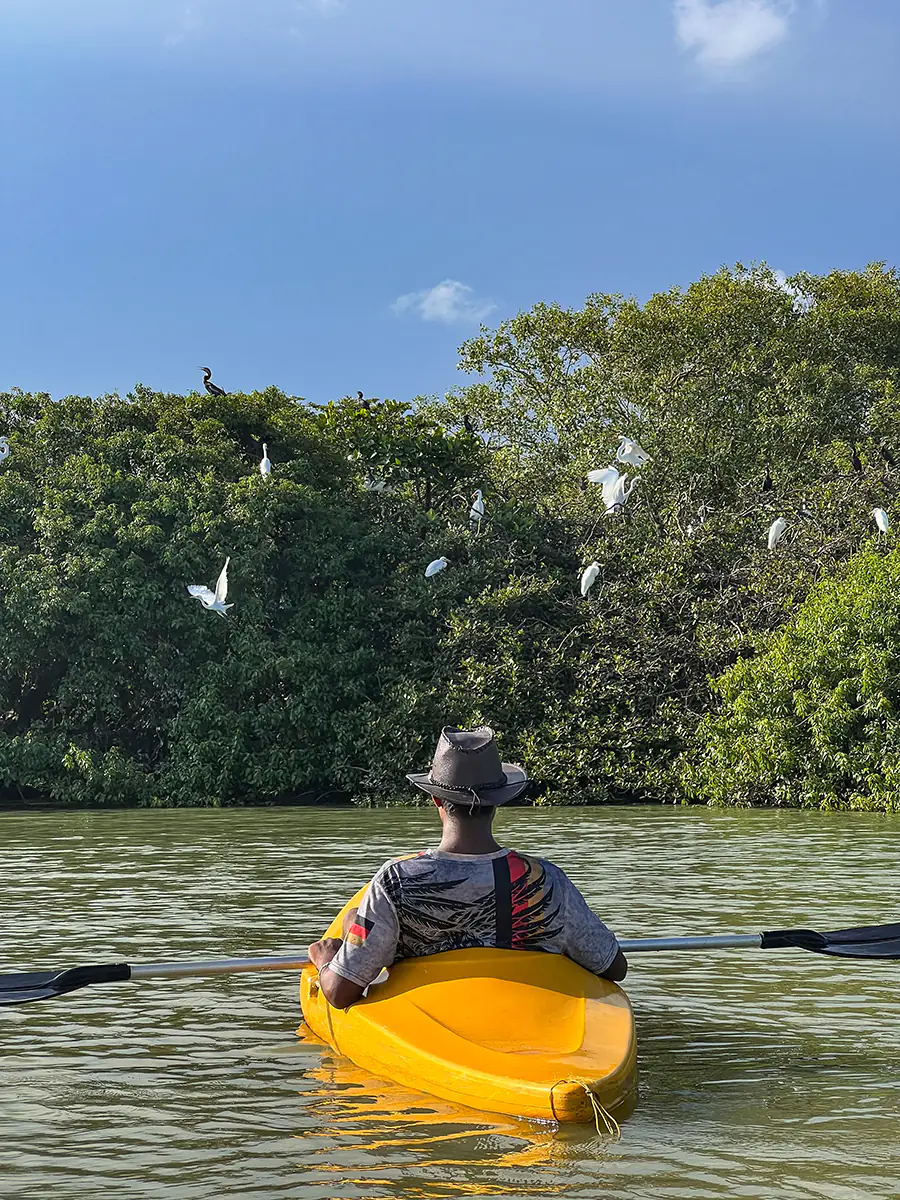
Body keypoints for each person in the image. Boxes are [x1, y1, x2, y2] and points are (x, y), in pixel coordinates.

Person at [307, 726, 627, 1009]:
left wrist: (326, 961)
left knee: (354, 922)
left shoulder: (396, 882)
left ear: (435, 800)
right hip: (531, 1021)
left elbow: (339, 993)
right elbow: (614, 966)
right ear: (498, 801)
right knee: (355, 921)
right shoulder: (545, 881)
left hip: (439, 1022)